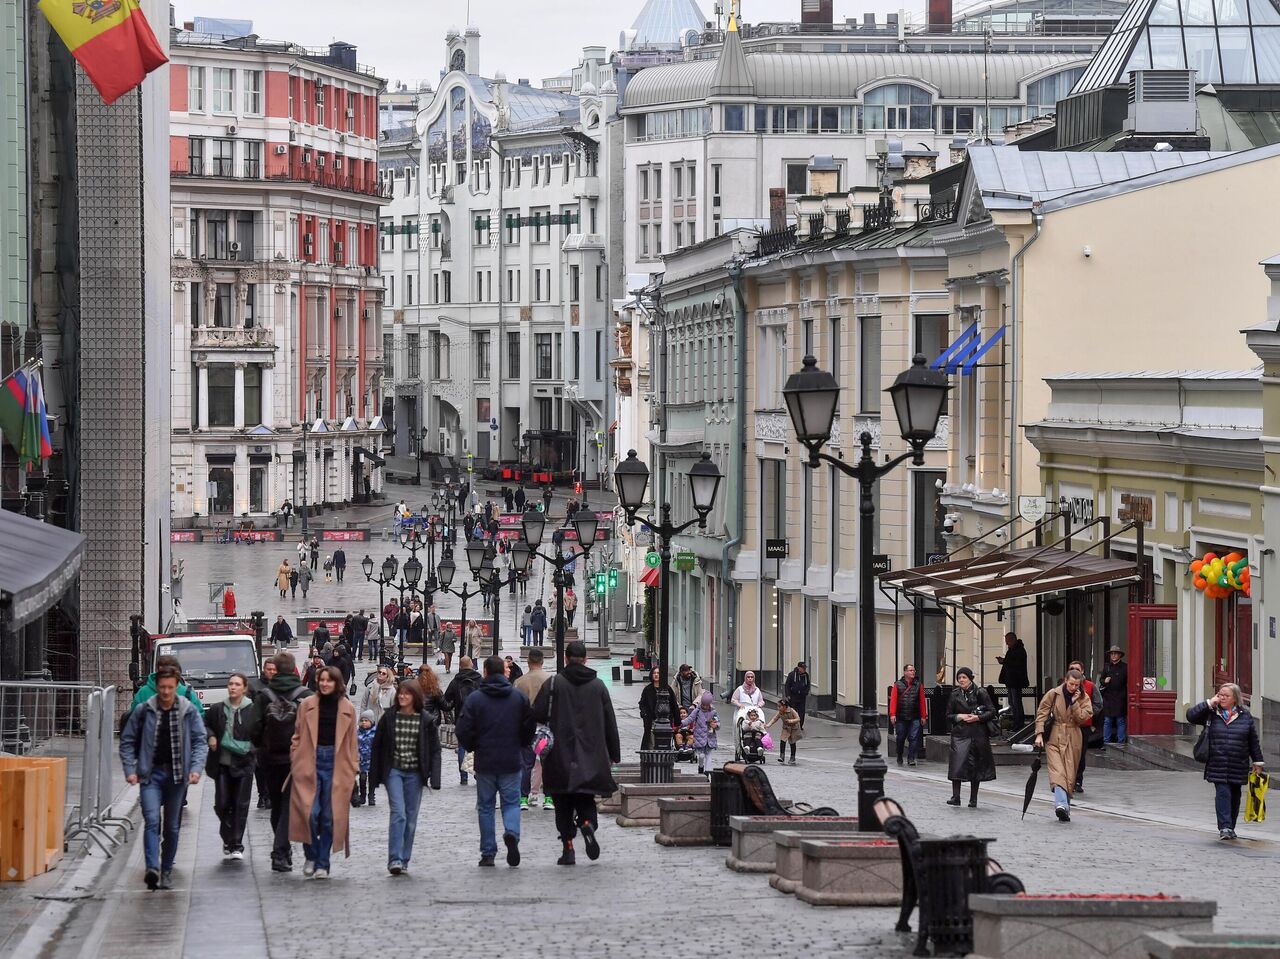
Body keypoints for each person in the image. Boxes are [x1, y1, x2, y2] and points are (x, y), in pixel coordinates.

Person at [532, 641, 620, 866]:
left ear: (565, 658)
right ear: (586, 659)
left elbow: (537, 713)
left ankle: (568, 848)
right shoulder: (599, 686)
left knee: (562, 803)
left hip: (559, 756)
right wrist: (614, 753)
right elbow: (610, 722)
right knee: (585, 798)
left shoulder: (553, 684)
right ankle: (588, 824)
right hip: (591, 755)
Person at [120, 666, 208, 890]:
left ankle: (166, 868)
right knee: (151, 820)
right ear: (157, 687)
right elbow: (128, 740)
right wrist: (130, 769)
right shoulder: (144, 710)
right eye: (162, 687)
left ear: (177, 686)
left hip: (178, 775)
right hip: (151, 774)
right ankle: (152, 868)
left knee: (172, 827)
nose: (166, 692)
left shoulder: (187, 710)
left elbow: (200, 740)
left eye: (170, 687)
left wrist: (196, 768)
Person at [456, 656, 534, 867]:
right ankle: (511, 833)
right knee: (511, 803)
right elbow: (529, 726)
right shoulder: (517, 697)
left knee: (486, 807)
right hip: (511, 759)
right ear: (504, 671)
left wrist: (472, 746)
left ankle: (488, 852)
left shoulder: (476, 699)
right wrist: (522, 743)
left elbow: (463, 729)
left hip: (486, 760)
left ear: (486, 672)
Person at [289, 665, 358, 879]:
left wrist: (353, 769)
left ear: (337, 683)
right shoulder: (307, 705)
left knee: (329, 816)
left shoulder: (347, 707)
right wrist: (296, 758)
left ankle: (322, 863)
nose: (325, 684)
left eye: (329, 680)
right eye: (322, 680)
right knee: (310, 813)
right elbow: (297, 736)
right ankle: (311, 854)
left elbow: (352, 743)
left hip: (337, 765)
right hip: (310, 761)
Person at [248, 651, 314, 871]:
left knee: (278, 804)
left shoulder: (265, 695)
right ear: (293, 669)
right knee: (291, 804)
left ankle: (282, 852)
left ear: (275, 670)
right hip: (299, 757)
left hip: (270, 759)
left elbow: (254, 727)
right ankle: (280, 852)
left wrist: (261, 747)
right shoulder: (306, 694)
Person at [370, 680, 442, 874]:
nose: (402, 697)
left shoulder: (425, 720)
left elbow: (435, 750)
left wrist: (435, 778)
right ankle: (394, 858)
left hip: (415, 773)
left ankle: (404, 858)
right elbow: (377, 745)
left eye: (407, 694)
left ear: (415, 696)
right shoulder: (389, 717)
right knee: (398, 813)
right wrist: (374, 776)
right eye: (400, 693)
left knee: (410, 818)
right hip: (394, 770)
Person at [1187, 683, 1265, 840]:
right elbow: (1191, 716)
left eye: (1226, 695)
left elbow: (1252, 740)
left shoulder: (1245, 715)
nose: (1222, 698)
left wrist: (1258, 761)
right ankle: (1225, 827)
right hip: (1217, 762)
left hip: (1238, 763)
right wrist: (1209, 703)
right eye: (1220, 694)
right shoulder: (1211, 713)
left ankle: (1231, 826)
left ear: (1235, 698)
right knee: (1223, 793)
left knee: (1235, 797)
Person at [204, 673, 255, 859]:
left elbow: (260, 734)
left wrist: (251, 749)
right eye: (231, 684)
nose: (233, 687)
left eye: (237, 684)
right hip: (222, 764)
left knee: (240, 805)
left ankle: (236, 844)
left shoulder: (252, 710)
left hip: (244, 764)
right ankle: (227, 837)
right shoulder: (217, 709)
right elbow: (206, 724)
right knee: (222, 804)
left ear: (244, 687)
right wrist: (210, 735)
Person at [1035, 668, 1094, 822]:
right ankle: (1061, 804)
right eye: (1071, 684)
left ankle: (1065, 809)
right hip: (1054, 736)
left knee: (1069, 774)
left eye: (1077, 685)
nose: (1073, 687)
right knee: (1057, 771)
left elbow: (1083, 718)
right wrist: (1039, 734)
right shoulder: (1053, 694)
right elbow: (1042, 713)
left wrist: (1074, 703)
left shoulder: (1083, 697)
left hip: (1073, 737)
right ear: (1065, 680)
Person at [946, 667, 996, 808]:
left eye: (964, 677)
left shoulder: (981, 692)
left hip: (977, 733)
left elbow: (992, 712)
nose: (961, 680)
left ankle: (973, 799)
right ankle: (956, 797)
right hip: (960, 734)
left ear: (970, 679)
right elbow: (948, 715)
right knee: (956, 764)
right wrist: (958, 716)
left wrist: (977, 718)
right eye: (959, 678)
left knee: (976, 766)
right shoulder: (955, 694)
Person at [514, 648, 552, 810]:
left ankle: (523, 798)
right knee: (547, 763)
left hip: (526, 729)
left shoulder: (520, 682)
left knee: (526, 764)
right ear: (542, 662)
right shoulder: (551, 680)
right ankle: (549, 798)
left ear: (528, 662)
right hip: (546, 730)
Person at [444, 656, 484, 785]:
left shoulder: (456, 681)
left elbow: (447, 699)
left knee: (462, 747)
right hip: (478, 718)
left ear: (460, 666)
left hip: (461, 718)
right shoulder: (479, 680)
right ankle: (478, 772)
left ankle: (463, 776)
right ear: (471, 665)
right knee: (478, 747)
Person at [1068, 659, 1103, 793]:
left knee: (1080, 755)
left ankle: (1077, 780)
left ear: (1082, 671)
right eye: (1072, 668)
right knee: (1067, 754)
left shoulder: (1090, 686)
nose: (1074, 671)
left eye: (1077, 669)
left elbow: (1098, 704)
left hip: (1083, 727)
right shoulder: (1064, 686)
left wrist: (1087, 714)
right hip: (1068, 726)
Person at [131, 654, 205, 714]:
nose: (166, 692)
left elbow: (199, 719)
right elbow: (134, 720)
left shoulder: (187, 693)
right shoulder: (143, 692)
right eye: (163, 672)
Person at [249, 659, 278, 808]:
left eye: (274, 669)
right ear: (264, 670)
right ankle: (262, 794)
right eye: (269, 669)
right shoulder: (254, 686)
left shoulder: (280, 686)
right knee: (259, 767)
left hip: (276, 734)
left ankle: (271, 794)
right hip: (259, 733)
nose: (271, 672)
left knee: (273, 767)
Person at [890, 664, 928, 767]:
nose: (913, 672)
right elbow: (893, 700)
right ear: (905, 672)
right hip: (901, 716)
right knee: (901, 737)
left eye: (913, 670)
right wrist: (892, 714)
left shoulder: (918, 685)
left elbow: (922, 701)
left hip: (915, 716)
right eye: (910, 670)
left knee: (913, 737)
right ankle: (899, 755)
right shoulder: (897, 685)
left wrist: (923, 716)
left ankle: (911, 758)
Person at [996, 632, 1030, 732]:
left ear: (1013, 640)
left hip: (1015, 681)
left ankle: (1019, 723)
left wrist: (1004, 661)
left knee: (1016, 703)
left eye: (1008, 641)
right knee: (1013, 703)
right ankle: (1016, 723)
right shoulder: (1013, 650)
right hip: (1010, 681)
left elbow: (1015, 664)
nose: (1007, 644)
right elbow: (1010, 662)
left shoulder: (1019, 650)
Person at [639, 667, 679, 750]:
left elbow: (674, 704)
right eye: (654, 673)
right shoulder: (647, 689)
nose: (656, 675)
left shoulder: (667, 689)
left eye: (658, 673)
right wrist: (644, 714)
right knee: (651, 740)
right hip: (651, 720)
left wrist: (677, 722)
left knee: (664, 742)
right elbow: (642, 703)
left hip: (665, 721)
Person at [682, 691, 721, 774]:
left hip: (710, 737)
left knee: (709, 755)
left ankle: (707, 773)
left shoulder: (713, 712)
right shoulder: (697, 711)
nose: (705, 707)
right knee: (701, 756)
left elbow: (718, 722)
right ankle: (701, 767)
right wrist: (681, 723)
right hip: (699, 736)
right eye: (703, 705)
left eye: (707, 705)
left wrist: (716, 725)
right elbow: (690, 719)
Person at [1100, 646, 1128, 744]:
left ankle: (1121, 742)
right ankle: (1106, 742)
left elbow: (1128, 682)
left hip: (1120, 697)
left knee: (1120, 720)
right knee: (1107, 720)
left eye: (1115, 653)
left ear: (1120, 655)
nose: (1113, 655)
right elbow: (1101, 680)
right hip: (1108, 697)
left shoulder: (1125, 667)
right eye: (1112, 654)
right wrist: (1105, 681)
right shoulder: (1107, 666)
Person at [767, 696, 804, 765]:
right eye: (778, 706)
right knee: (782, 740)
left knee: (792, 743)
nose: (778, 708)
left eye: (779, 706)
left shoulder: (792, 710)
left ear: (785, 706)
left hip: (793, 728)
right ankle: (782, 756)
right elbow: (774, 719)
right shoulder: (780, 712)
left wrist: (791, 721)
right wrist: (768, 725)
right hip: (786, 728)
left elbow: (798, 718)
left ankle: (792, 757)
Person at [353, 710, 376, 807]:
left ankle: (371, 796)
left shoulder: (375, 733)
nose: (364, 722)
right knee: (362, 779)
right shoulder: (357, 734)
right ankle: (362, 796)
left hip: (372, 760)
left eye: (366, 720)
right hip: (361, 761)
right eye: (362, 720)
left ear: (371, 722)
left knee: (372, 779)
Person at [783, 662, 811, 729]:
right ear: (799, 668)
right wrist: (788, 695)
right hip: (793, 696)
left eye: (804, 668)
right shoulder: (792, 675)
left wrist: (805, 692)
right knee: (793, 711)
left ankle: (800, 725)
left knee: (801, 712)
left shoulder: (806, 675)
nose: (804, 669)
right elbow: (787, 685)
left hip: (802, 697)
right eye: (802, 668)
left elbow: (808, 685)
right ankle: (793, 724)